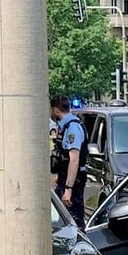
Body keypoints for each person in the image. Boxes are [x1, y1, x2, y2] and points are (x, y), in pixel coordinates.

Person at [51, 94, 88, 229]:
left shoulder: (72, 127)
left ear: (55, 110)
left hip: (74, 181)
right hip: (66, 178)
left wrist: (68, 189)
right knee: (63, 217)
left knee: (75, 220)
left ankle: (80, 246)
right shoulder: (64, 126)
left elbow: (74, 159)